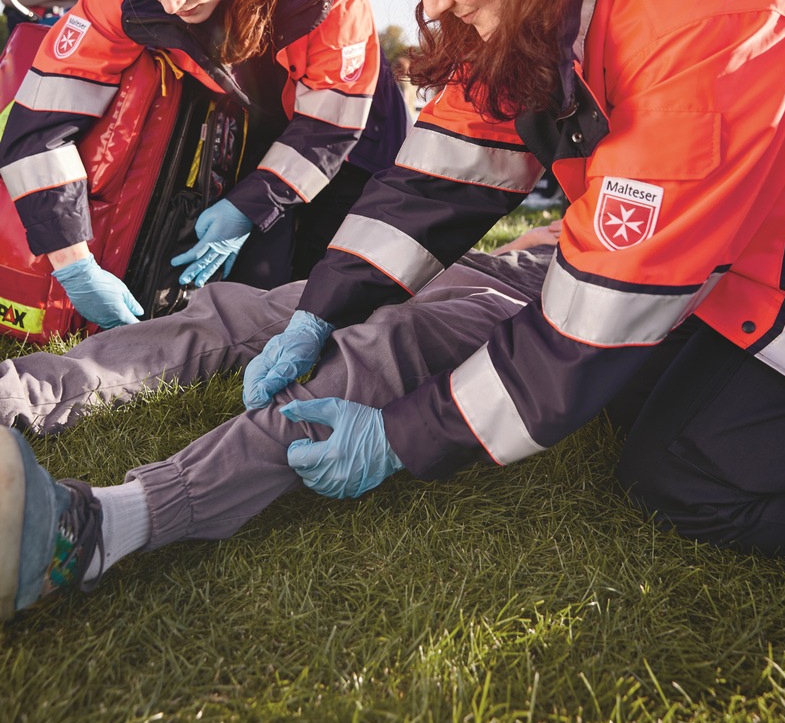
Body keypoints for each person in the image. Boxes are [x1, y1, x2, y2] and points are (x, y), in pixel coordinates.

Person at [230, 0, 785, 555]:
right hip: (746, 258)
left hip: (782, 280)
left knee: (676, 474)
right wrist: (321, 306)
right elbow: (449, 166)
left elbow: (597, 317)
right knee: (625, 402)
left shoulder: (705, 14)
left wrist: (402, 436)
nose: (429, 4)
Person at [0, 224, 560, 618]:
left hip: (530, 304)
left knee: (390, 345)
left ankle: (97, 529)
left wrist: (401, 435)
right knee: (243, 312)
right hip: (465, 266)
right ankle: (17, 392)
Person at [0, 0, 410, 330]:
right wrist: (75, 266)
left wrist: (255, 202)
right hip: (247, 114)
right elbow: (37, 125)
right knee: (259, 297)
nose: (169, 3)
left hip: (355, 125)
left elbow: (334, 112)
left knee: (352, 292)